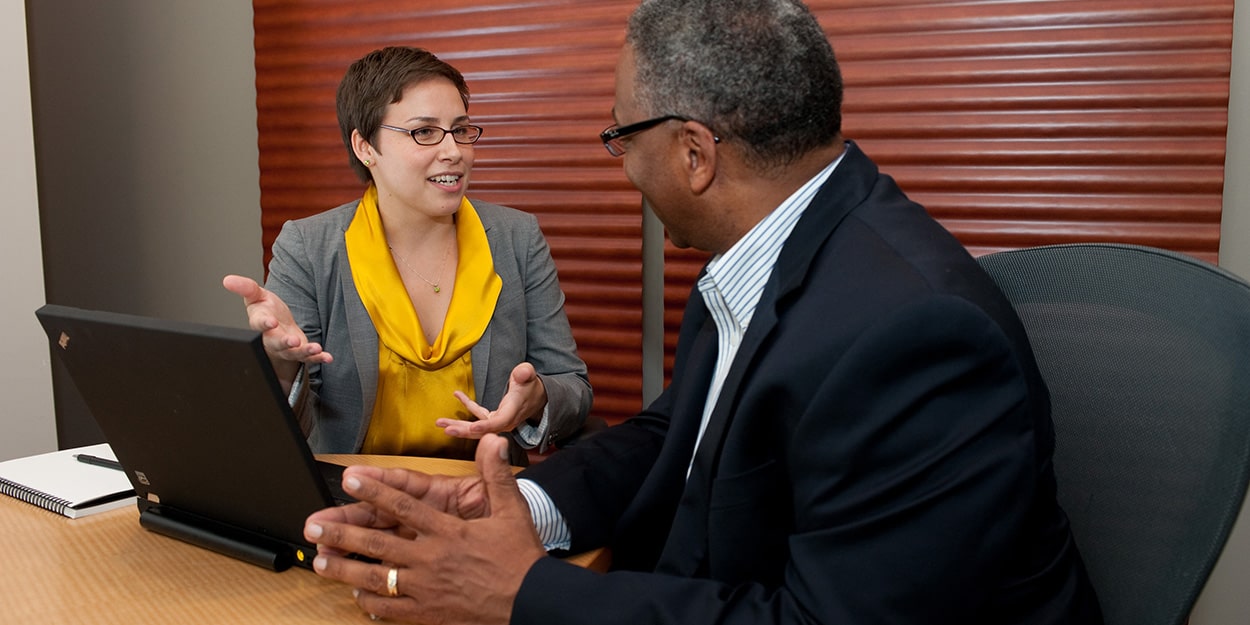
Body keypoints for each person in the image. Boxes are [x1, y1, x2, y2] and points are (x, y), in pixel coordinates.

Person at [300, 1, 1104, 623]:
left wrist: (523, 592)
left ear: (694, 153)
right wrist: (521, 507)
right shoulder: (769, 249)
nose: (624, 169)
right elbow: (676, 431)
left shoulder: (917, 334)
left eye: (620, 136)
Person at [223, 46, 592, 465]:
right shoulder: (308, 247)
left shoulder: (516, 237)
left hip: (484, 499)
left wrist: (538, 397)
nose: (453, 151)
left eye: (461, 130)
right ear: (365, 147)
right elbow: (282, 427)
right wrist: (280, 360)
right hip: (355, 498)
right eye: (425, 132)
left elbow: (573, 388)